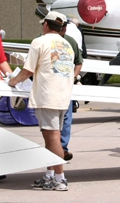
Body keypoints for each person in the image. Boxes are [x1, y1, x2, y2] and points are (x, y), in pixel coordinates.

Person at [8, 11, 75, 191]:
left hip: (47, 96)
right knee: (52, 136)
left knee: (52, 137)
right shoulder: (67, 44)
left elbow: (28, 70)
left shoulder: (39, 42)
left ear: (46, 25)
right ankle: (50, 175)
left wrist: (13, 81)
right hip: (63, 96)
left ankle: (60, 178)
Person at [56, 13, 83, 162]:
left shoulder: (70, 42)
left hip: (66, 87)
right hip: (50, 87)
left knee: (66, 117)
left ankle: (63, 148)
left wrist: (73, 77)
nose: (63, 29)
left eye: (65, 26)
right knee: (52, 120)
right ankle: (53, 148)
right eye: (61, 26)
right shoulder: (44, 41)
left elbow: (79, 62)